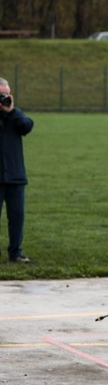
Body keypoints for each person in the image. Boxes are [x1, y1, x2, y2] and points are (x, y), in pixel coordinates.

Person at [0, 77, 34, 264]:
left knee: (17, 218)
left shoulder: (14, 116)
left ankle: (16, 252)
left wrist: (11, 111)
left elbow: (27, 126)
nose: (2, 98)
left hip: (15, 176)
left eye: (5, 94)